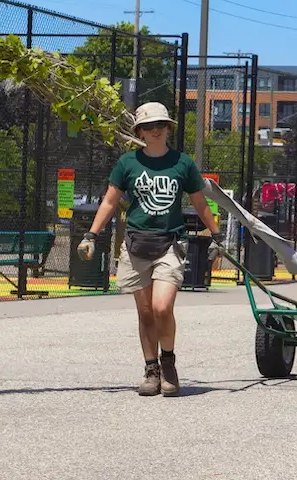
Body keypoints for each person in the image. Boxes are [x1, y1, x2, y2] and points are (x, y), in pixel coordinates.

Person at [77, 102, 223, 397]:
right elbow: (109, 202)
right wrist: (91, 234)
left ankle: (168, 362)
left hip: (170, 243)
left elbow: (199, 203)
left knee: (161, 307)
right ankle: (151, 369)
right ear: (140, 131)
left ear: (168, 128)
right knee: (145, 312)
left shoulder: (183, 163)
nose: (155, 130)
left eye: (160, 125)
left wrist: (218, 237)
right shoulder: (127, 164)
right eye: (148, 126)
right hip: (135, 244)